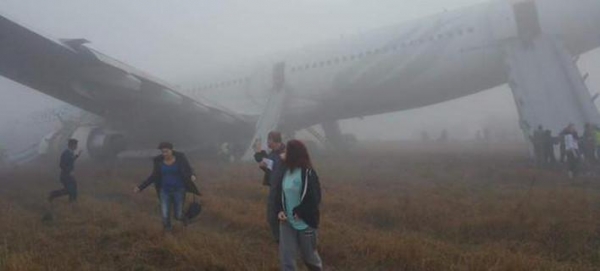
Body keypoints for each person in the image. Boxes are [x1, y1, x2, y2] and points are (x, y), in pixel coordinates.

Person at [275, 139, 323, 271]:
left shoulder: (308, 173)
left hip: (305, 223)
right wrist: (280, 210)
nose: (284, 153)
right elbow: (279, 193)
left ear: (293, 154)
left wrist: (299, 211)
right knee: (287, 259)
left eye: (287, 151)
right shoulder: (286, 171)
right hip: (286, 223)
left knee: (309, 258)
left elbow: (315, 198)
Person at [134, 142, 200, 232]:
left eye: (166, 151)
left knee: (178, 214)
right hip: (164, 191)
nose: (164, 154)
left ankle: (185, 218)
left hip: (179, 190)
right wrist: (140, 187)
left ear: (171, 150)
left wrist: (192, 175)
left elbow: (189, 169)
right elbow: (153, 176)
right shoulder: (159, 162)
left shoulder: (180, 159)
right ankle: (168, 232)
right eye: (163, 152)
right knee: (165, 215)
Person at [254, 131, 286, 242]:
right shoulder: (273, 154)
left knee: (282, 216)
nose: (267, 142)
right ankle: (279, 240)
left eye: (269, 140)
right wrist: (264, 167)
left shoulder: (286, 153)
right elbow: (272, 170)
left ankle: (285, 240)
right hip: (274, 189)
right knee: (271, 217)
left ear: (275, 140)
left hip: (284, 190)